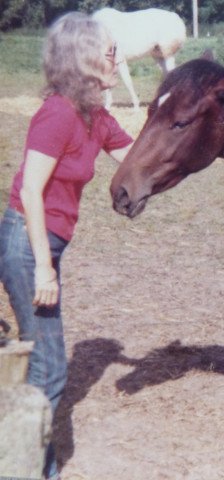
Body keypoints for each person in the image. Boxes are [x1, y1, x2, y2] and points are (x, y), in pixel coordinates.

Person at [0, 12, 133, 480]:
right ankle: (28, 469)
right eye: (110, 51)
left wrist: (182, 126)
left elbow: (137, 159)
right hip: (26, 245)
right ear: (84, 58)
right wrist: (43, 269)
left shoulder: (94, 114)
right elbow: (31, 191)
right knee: (50, 367)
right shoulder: (57, 112)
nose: (117, 57)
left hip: (46, 245)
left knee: (41, 361)